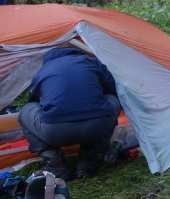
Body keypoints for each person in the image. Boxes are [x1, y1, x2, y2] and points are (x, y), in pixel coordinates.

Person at [18, 47, 121, 180]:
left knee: (26, 110)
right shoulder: (91, 62)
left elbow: (33, 102)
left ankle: (55, 163)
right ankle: (89, 158)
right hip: (96, 128)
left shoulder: (43, 71)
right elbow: (113, 90)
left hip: (55, 133)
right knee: (112, 101)